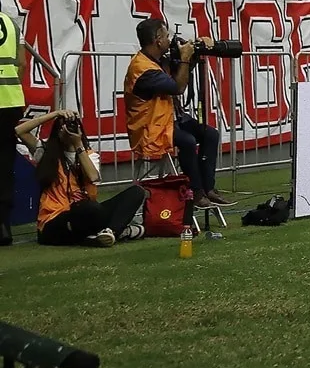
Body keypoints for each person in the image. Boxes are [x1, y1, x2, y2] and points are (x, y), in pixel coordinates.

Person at [124, 19, 232, 209]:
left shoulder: (157, 60)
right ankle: (196, 193)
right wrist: (184, 57)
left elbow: (179, 73)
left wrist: (194, 50)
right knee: (188, 141)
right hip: (150, 128)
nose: (169, 39)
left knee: (210, 134)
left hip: (169, 120)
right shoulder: (142, 69)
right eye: (166, 36)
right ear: (157, 40)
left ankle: (209, 189)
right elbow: (178, 86)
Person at [23, 110, 144, 247]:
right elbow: (20, 131)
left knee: (136, 192)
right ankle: (118, 232)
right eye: (64, 127)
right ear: (57, 131)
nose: (69, 130)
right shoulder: (45, 152)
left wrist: (78, 144)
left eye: (72, 126)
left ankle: (110, 232)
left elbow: (93, 177)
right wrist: (54, 114)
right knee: (88, 208)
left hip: (86, 215)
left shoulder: (89, 155)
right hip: (54, 220)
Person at [0, 1, 26, 247]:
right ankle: (3, 225)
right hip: (10, 101)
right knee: (5, 163)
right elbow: (22, 63)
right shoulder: (11, 24)